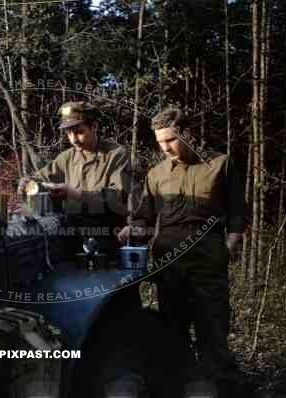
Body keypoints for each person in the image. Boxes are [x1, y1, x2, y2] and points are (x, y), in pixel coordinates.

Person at [117, 107, 248, 398]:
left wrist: (229, 245)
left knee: (212, 331)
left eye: (171, 140)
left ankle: (220, 388)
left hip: (207, 263)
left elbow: (238, 211)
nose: (165, 148)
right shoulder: (156, 174)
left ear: (188, 134)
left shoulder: (219, 164)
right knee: (173, 332)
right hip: (169, 264)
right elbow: (144, 217)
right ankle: (178, 389)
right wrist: (133, 229)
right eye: (160, 142)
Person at [14, 101, 134, 254]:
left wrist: (75, 194)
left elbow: (117, 197)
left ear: (94, 127)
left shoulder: (116, 154)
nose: (73, 139)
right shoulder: (67, 157)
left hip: (107, 239)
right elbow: (43, 179)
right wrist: (28, 182)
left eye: (79, 132)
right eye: (68, 133)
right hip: (72, 240)